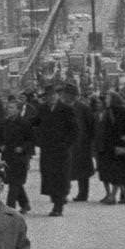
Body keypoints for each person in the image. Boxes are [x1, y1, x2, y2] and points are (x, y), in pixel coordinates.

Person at [35, 85, 79, 216]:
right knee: (49, 176)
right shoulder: (43, 109)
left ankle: (58, 207)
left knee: (60, 177)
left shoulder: (66, 109)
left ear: (58, 96)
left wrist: (66, 144)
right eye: (49, 95)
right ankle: (56, 200)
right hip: (47, 150)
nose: (51, 97)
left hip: (61, 151)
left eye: (54, 95)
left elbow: (74, 130)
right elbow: (35, 124)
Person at [0, 98, 33, 213]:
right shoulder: (4, 122)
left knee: (14, 183)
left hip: (20, 157)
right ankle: (25, 204)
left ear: (18, 110)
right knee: (14, 182)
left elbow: (31, 140)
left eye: (12, 108)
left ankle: (9, 209)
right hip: (8, 157)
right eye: (8, 108)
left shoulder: (24, 123)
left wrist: (22, 148)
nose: (9, 110)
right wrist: (0, 145)